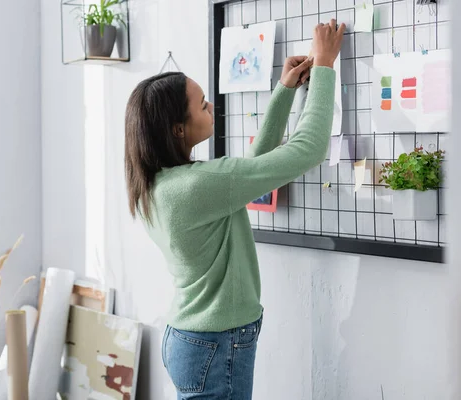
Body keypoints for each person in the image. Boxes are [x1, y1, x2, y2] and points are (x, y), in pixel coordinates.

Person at [124, 20, 345, 399]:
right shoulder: (197, 185)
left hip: (193, 338)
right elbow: (307, 150)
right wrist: (324, 65)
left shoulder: (158, 184)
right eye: (202, 103)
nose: (212, 105)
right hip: (215, 343)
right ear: (178, 129)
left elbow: (252, 172)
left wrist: (285, 91)